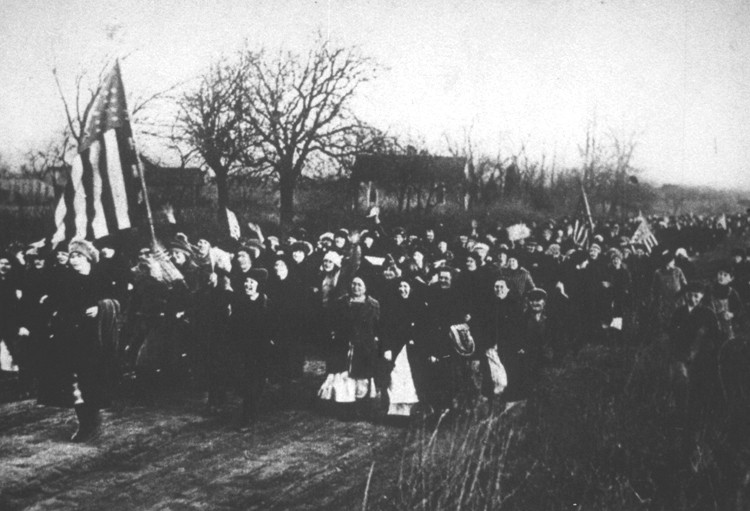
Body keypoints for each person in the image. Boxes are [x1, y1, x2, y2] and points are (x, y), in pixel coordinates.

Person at [37, 239, 119, 442]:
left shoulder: (102, 278)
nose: (74, 260)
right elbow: (54, 302)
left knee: (92, 381)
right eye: (72, 256)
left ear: (88, 258)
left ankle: (94, 421)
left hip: (95, 338)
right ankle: (85, 424)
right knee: (75, 384)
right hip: (70, 337)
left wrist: (101, 307)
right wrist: (48, 303)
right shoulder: (65, 280)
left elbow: (119, 301)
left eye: (78, 256)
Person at [318, 277, 381, 420]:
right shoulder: (342, 302)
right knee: (344, 377)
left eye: (359, 284)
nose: (356, 287)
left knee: (362, 378)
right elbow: (333, 322)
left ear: (365, 287)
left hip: (364, 346)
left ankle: (362, 408)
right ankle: (345, 408)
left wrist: (374, 340)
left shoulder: (373, 305)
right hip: (343, 344)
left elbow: (377, 326)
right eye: (353, 284)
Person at [229, 269, 273, 425]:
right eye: (246, 281)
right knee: (244, 382)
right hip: (242, 349)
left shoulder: (266, 303)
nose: (247, 285)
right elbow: (233, 325)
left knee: (255, 383)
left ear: (259, 285)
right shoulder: (239, 301)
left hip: (260, 350)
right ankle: (248, 411)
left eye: (252, 282)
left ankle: (248, 416)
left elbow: (273, 327)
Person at [381, 278, 428, 418]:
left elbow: (423, 327)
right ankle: (395, 411)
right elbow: (386, 328)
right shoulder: (392, 306)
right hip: (396, 348)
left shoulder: (419, 306)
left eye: (405, 286)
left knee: (411, 378)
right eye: (400, 286)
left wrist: (415, 339)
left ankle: (412, 410)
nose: (402, 289)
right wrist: (387, 348)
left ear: (411, 288)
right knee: (395, 377)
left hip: (412, 349)